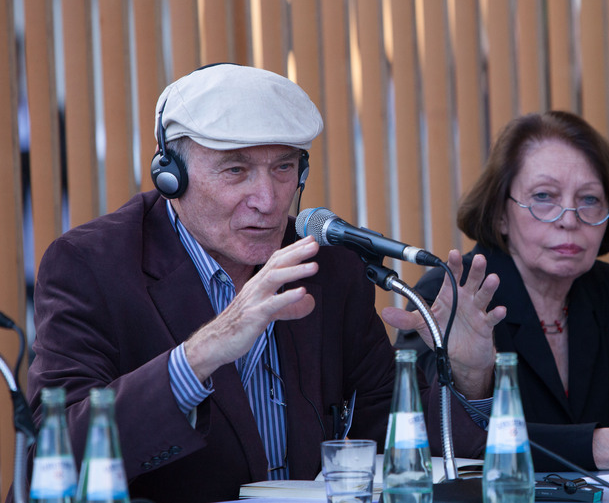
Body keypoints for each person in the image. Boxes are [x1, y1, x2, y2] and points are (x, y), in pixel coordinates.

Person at [25, 64, 505, 503]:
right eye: (236, 170)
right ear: (171, 176)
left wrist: (467, 376)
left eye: (283, 168)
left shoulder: (330, 266)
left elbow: (392, 438)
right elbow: (53, 455)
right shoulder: (92, 265)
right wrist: (201, 353)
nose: (268, 200)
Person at [392, 111, 609, 472]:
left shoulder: (606, 293)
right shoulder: (451, 294)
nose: (569, 219)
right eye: (544, 196)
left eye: (589, 199)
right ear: (501, 214)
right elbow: (431, 434)